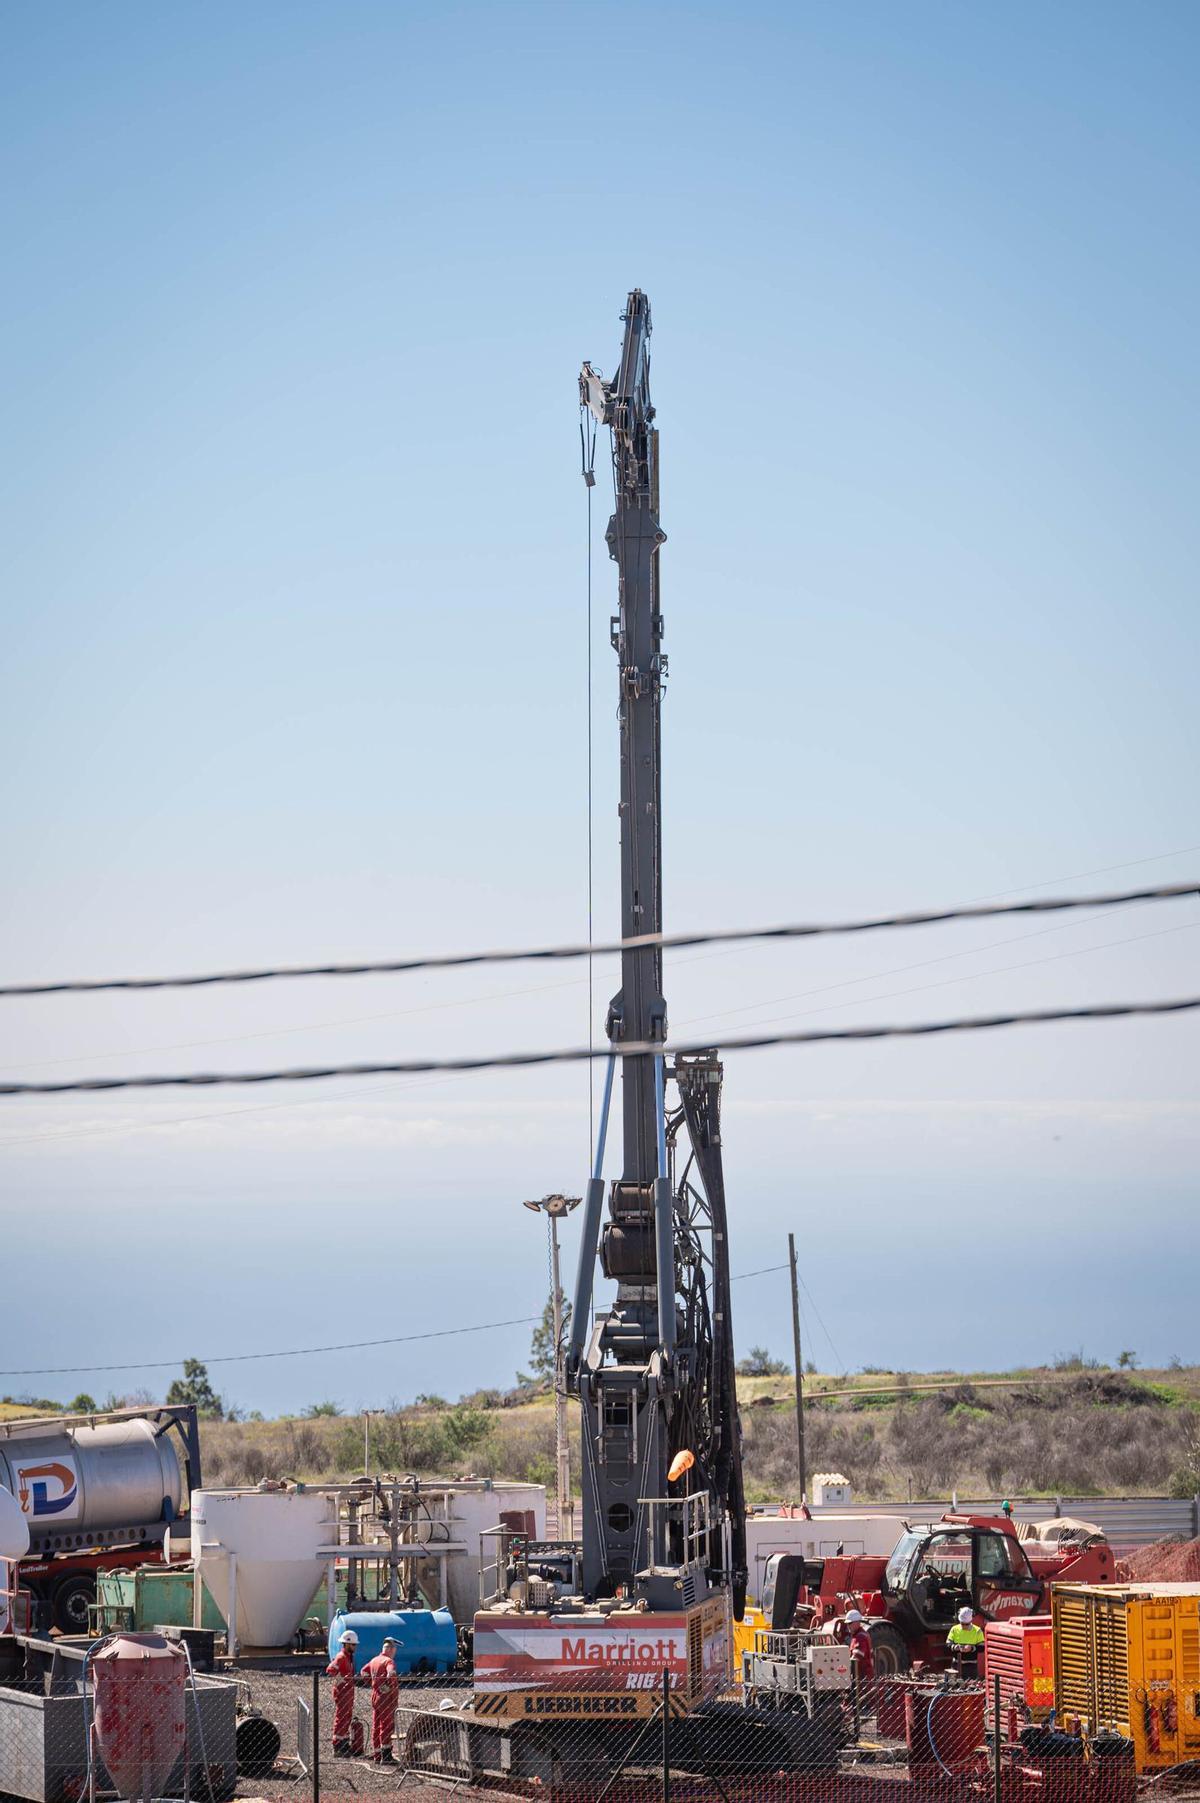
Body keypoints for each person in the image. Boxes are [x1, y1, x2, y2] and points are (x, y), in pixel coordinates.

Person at [361, 1635, 401, 1764]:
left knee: (376, 1725)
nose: (394, 1652)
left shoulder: (374, 1660)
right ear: (390, 1649)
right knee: (386, 1726)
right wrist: (388, 1685)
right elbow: (391, 1672)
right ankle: (386, 1756)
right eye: (394, 1649)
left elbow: (363, 1671)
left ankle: (377, 1755)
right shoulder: (389, 1661)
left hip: (375, 1697)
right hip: (386, 1699)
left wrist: (373, 1684)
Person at [325, 1628, 358, 1757]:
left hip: (348, 1693)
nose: (355, 1647)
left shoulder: (348, 1657)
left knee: (347, 1718)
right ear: (347, 1644)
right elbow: (330, 1669)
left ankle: (343, 1743)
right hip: (343, 1693)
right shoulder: (341, 1657)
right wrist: (340, 1680)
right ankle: (338, 1745)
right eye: (353, 1644)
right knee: (341, 1718)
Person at [845, 1608, 875, 1724]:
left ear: (857, 1623)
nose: (848, 1627)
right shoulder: (859, 1635)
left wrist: (846, 1667)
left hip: (862, 1674)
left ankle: (850, 1721)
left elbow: (857, 1657)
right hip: (863, 1674)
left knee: (854, 1700)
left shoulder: (860, 1637)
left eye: (850, 1624)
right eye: (847, 1624)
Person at [946, 1605, 985, 1674]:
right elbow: (948, 1644)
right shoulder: (954, 1629)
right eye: (962, 1624)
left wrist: (971, 1648)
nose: (964, 1626)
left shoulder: (977, 1631)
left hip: (971, 1667)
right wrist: (955, 1647)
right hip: (956, 1666)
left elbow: (982, 1647)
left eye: (966, 1624)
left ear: (970, 1621)